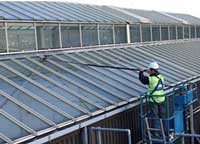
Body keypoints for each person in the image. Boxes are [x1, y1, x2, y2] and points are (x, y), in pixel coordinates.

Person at [139, 61, 165, 136]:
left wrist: (141, 72)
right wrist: (148, 72)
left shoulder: (151, 79)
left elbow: (143, 80)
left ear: (152, 70)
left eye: (150, 70)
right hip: (162, 99)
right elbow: (153, 76)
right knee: (162, 116)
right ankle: (165, 131)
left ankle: (155, 132)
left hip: (154, 100)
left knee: (154, 116)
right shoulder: (161, 77)